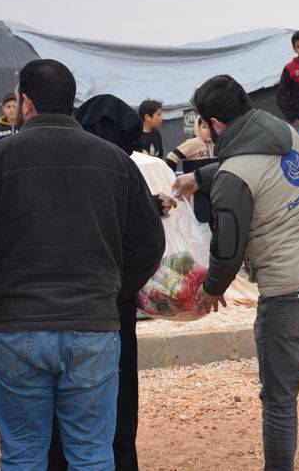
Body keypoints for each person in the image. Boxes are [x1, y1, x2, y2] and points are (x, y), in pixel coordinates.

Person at [0, 59, 165, 471]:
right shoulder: (116, 162)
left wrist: (0, 294)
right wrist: (109, 292)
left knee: (24, 454)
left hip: (17, 327)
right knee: (93, 454)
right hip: (93, 328)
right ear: (70, 101)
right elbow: (148, 246)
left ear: (25, 102)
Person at [173, 75, 299, 471]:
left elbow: (228, 250)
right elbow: (250, 165)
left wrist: (211, 289)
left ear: (216, 124)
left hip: (290, 294)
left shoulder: (235, 176)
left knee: (279, 401)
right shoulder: (283, 133)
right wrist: (199, 177)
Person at [43, 93, 175, 471]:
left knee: (56, 406)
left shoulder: (54, 165)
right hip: (110, 313)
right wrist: (120, 290)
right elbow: (140, 239)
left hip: (49, 306)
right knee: (114, 405)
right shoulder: (122, 169)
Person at [166, 116, 217, 242]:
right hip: (196, 191)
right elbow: (171, 157)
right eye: (204, 127)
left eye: (210, 127)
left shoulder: (217, 144)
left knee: (216, 220)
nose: (208, 130)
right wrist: (170, 179)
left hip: (214, 190)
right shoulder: (193, 143)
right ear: (197, 128)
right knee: (200, 219)